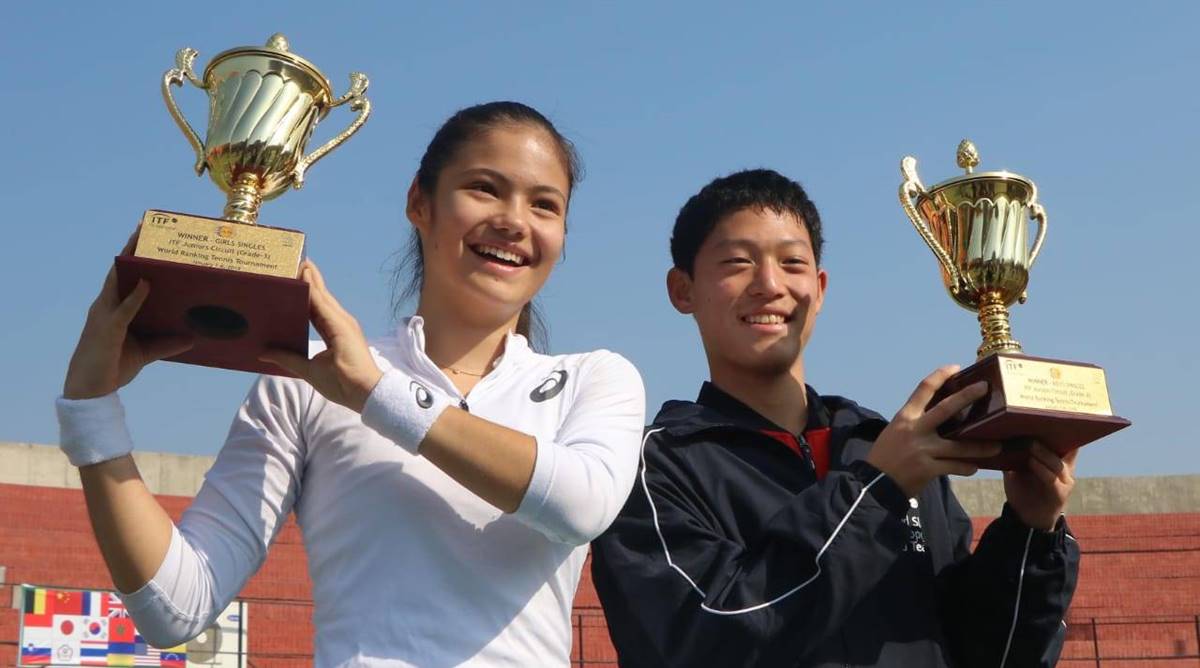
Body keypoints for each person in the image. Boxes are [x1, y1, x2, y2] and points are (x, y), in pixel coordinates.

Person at [57, 101, 646, 667]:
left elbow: (578, 505)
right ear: (420, 202)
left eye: (545, 205)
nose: (515, 221)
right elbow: (177, 607)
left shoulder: (594, 378)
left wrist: (375, 394)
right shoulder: (304, 382)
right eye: (485, 188)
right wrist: (90, 410)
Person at [590, 169, 1079, 667]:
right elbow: (712, 635)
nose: (770, 285)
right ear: (683, 290)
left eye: (793, 262)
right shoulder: (648, 468)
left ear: (819, 289)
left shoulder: (890, 446)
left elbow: (988, 655)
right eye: (737, 262)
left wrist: (1030, 531)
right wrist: (876, 491)